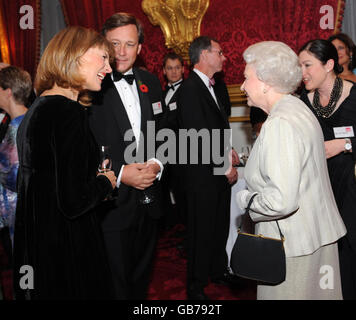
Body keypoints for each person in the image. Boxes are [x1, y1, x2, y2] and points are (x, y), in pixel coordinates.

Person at [236, 41, 346, 300]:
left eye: (245, 78)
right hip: (315, 237)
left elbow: (280, 201)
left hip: (292, 248)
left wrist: (246, 198)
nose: (242, 86)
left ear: (265, 81)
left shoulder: (279, 124)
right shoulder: (298, 108)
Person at [13, 26, 117, 300]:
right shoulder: (68, 112)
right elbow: (73, 202)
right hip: (68, 253)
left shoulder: (39, 108)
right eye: (103, 57)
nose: (108, 68)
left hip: (39, 248)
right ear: (74, 55)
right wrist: (104, 182)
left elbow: (43, 183)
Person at [89, 12, 166, 300]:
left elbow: (164, 132)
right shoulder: (91, 87)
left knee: (141, 279)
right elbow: (84, 146)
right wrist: (121, 174)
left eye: (129, 44)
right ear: (103, 45)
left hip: (150, 199)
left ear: (140, 48)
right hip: (110, 204)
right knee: (114, 283)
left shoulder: (150, 81)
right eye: (114, 44)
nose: (121, 52)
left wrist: (157, 163)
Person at [177, 36, 238, 300]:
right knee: (201, 230)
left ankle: (216, 269)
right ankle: (196, 285)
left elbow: (215, 129)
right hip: (202, 174)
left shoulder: (212, 86)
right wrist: (224, 166)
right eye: (220, 52)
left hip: (215, 171)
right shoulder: (190, 89)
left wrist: (229, 150)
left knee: (218, 224)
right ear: (204, 55)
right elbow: (197, 136)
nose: (224, 57)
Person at [299, 39, 356, 300]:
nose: (303, 72)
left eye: (308, 65)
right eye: (300, 66)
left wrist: (343, 144)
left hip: (350, 188)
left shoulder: (353, 95)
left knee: (348, 252)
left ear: (329, 64)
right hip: (317, 190)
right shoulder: (303, 102)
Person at [0, 66, 30, 301]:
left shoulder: (17, 129)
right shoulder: (30, 119)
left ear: (8, 92)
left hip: (22, 223)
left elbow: (14, 179)